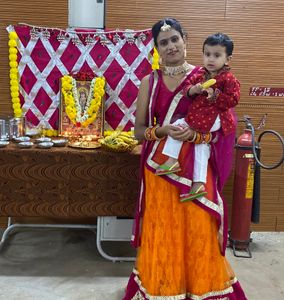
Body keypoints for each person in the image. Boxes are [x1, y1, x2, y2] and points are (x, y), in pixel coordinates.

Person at [123, 18, 247, 300]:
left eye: (175, 39)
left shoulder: (206, 76)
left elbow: (226, 124)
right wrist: (163, 130)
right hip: (161, 169)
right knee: (164, 233)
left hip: (197, 172)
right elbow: (139, 133)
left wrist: (200, 138)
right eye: (163, 43)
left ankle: (202, 289)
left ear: (185, 39)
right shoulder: (149, 83)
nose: (170, 46)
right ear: (156, 48)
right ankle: (165, 289)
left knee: (199, 230)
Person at [157, 33, 240, 202]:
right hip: (201, 117)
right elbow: (186, 89)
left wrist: (215, 95)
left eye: (217, 55)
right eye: (207, 54)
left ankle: (172, 159)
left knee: (181, 124)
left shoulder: (228, 78)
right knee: (200, 146)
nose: (210, 59)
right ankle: (198, 185)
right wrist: (193, 89)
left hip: (217, 118)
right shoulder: (201, 74)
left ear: (227, 59)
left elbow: (233, 99)